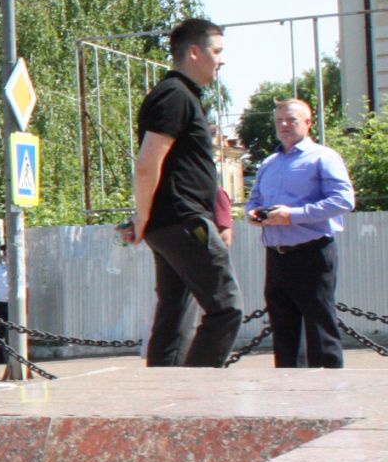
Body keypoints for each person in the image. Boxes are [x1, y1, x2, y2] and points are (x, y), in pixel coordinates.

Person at [121, 18, 242, 367]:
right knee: (226, 307)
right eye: (216, 51)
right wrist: (141, 217)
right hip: (183, 221)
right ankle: (196, 395)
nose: (222, 60)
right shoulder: (175, 96)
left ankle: (166, 401)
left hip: (173, 222)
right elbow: (147, 164)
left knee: (175, 314)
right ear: (193, 52)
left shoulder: (177, 95)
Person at [248, 98, 355, 368]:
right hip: (276, 255)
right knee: (283, 332)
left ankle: (329, 398)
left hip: (312, 253)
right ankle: (288, 398)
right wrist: (254, 214)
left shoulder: (323, 157)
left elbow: (343, 201)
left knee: (321, 331)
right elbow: (254, 201)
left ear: (307, 123)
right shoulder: (269, 163)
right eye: (279, 120)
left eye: (291, 120)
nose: (284, 125)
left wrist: (293, 215)